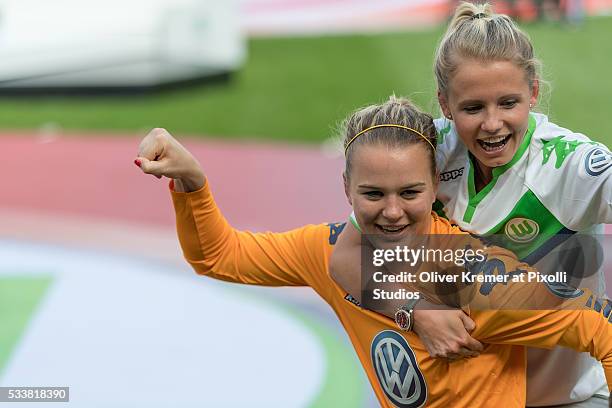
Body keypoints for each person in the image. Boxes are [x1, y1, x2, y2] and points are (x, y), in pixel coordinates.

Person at [134, 97, 612, 408]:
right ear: (344, 187)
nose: (391, 212)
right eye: (372, 194)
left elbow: (600, 327)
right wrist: (192, 184)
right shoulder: (323, 250)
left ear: (435, 189)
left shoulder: (470, 273)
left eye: (409, 192)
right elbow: (221, 256)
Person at [329, 3, 612, 406]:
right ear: (445, 104)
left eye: (508, 103)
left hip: (568, 399)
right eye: (473, 108)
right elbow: (346, 257)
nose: (492, 123)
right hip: (468, 395)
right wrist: (415, 310)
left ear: (533, 92)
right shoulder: (432, 150)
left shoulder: (570, 165)